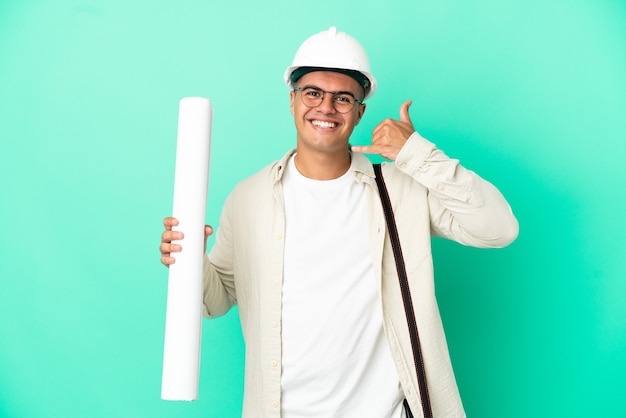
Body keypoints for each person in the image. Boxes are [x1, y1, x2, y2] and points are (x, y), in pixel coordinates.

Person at [160, 26, 518, 418]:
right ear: (293, 101)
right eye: (313, 92)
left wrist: (417, 153)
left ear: (360, 111)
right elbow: (214, 301)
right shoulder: (248, 197)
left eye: (343, 98)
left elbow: (499, 228)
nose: (326, 108)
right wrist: (188, 260)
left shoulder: (401, 190)